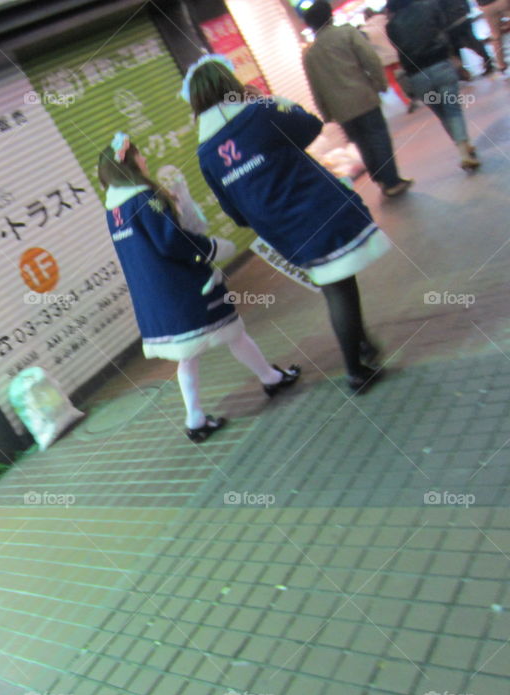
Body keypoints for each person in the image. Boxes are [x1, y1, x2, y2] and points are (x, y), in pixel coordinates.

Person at [184, 55, 387, 393]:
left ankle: (363, 345)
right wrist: (268, 101)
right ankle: (355, 371)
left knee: (333, 283)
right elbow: (310, 125)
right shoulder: (260, 114)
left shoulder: (206, 153)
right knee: (340, 287)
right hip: (316, 212)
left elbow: (234, 213)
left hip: (282, 232)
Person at [98, 132, 301, 442]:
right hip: (187, 286)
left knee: (189, 355)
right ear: (129, 164)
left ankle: (196, 419)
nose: (144, 159)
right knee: (234, 331)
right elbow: (171, 241)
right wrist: (210, 247)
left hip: (158, 297)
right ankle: (271, 378)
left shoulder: (115, 209)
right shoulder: (144, 198)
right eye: (138, 155)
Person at [301, 0, 413, 198]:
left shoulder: (310, 53)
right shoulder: (347, 33)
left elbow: (315, 85)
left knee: (362, 143)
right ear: (330, 16)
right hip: (364, 97)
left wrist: (326, 113)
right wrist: (380, 82)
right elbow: (369, 57)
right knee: (378, 138)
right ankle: (392, 181)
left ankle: (380, 180)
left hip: (341, 110)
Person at [387, 0, 481, 170]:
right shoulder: (427, 6)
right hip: (440, 65)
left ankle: (463, 146)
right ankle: (463, 150)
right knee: (452, 109)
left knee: (443, 113)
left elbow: (399, 47)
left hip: (417, 75)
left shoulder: (391, 26)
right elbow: (443, 28)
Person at [360, 8, 412, 104]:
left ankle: (406, 101)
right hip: (397, 53)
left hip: (383, 60)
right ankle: (414, 93)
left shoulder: (365, 30)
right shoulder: (385, 20)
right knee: (407, 73)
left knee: (393, 82)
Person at [438, 0, 495, 77]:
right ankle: (487, 62)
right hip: (461, 17)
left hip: (450, 23)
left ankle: (462, 74)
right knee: (472, 43)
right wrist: (466, 11)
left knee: (455, 49)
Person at [478, 0, 510, 73]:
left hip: (486, 6)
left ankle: (501, 65)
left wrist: (480, 6)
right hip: (502, 2)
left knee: (495, 36)